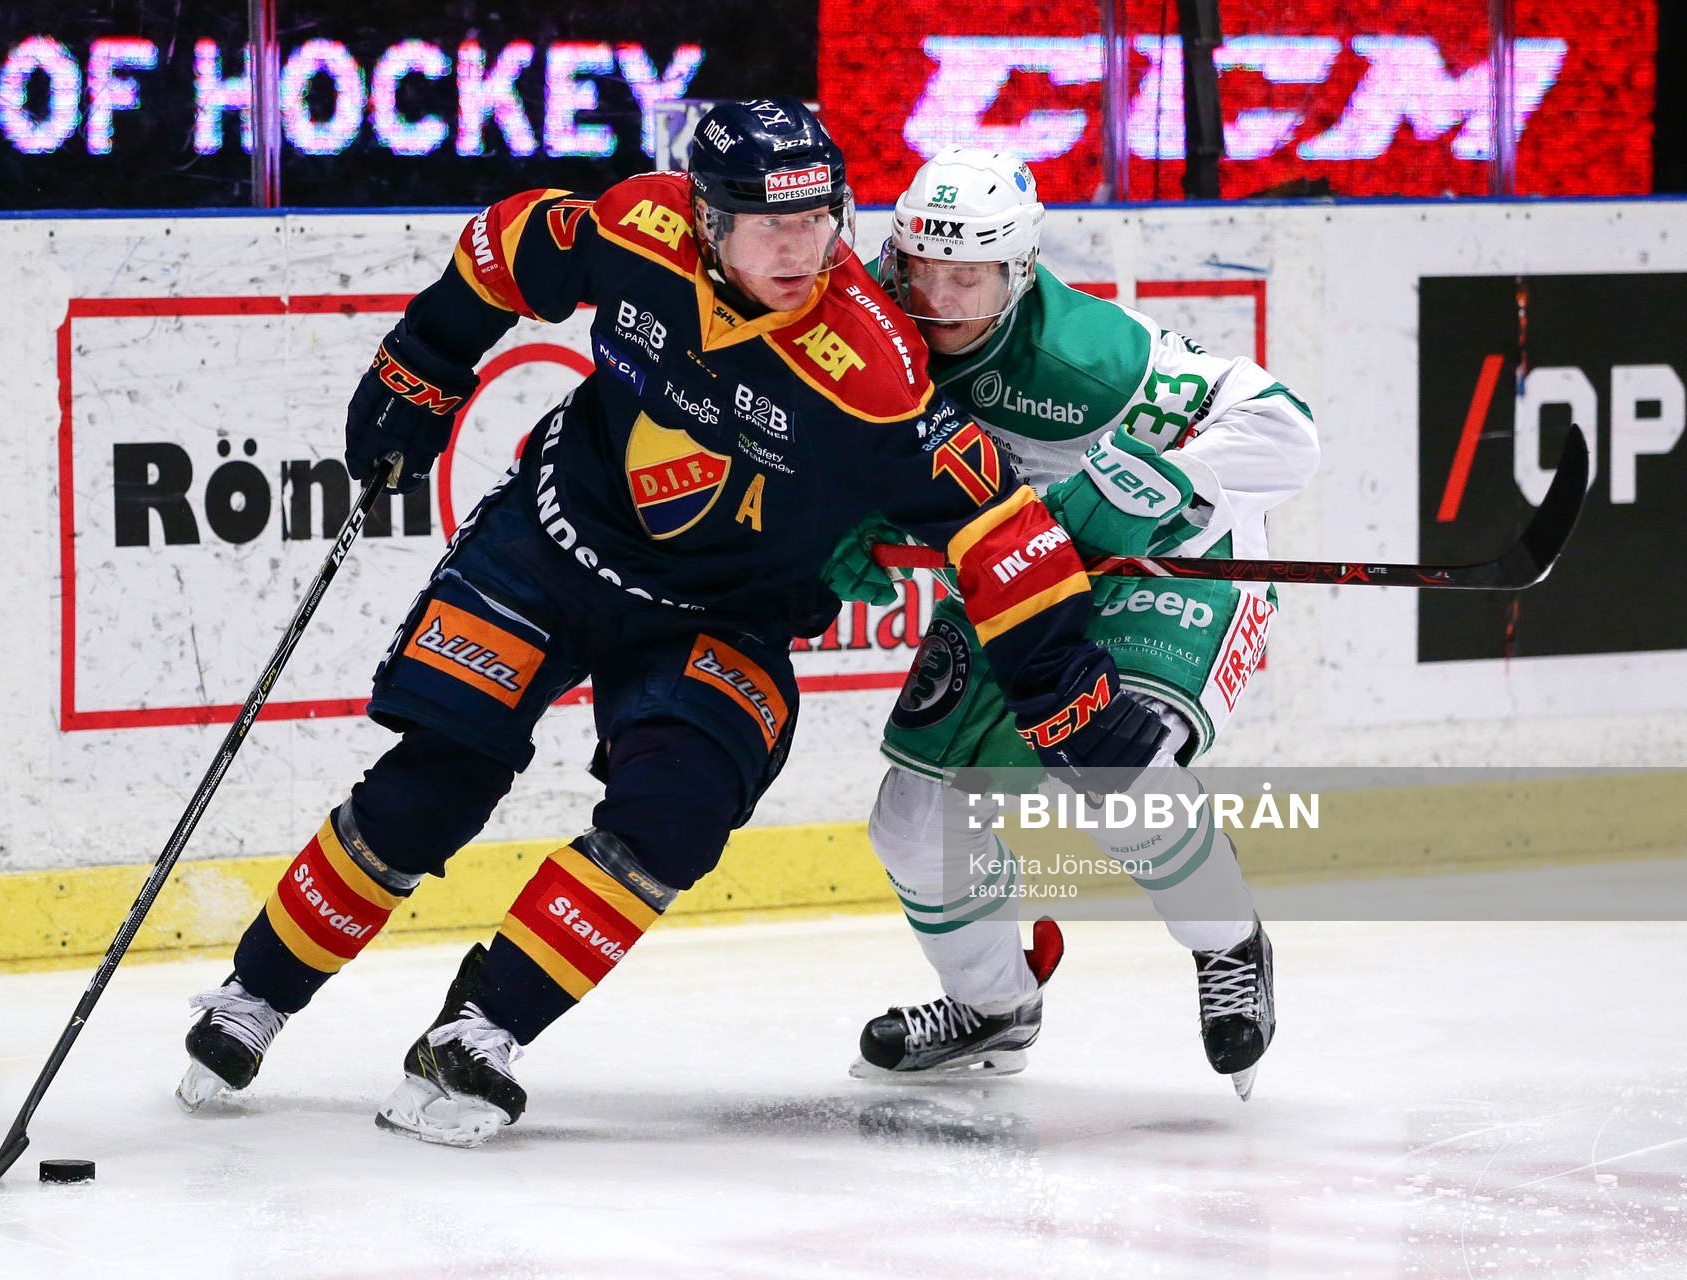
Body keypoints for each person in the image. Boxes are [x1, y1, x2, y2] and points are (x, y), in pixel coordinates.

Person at [173, 102, 1168, 1148]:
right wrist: (421, 359)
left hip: (722, 615)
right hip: (551, 544)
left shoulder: (872, 371)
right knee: (435, 782)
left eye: (818, 219)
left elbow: (1000, 526)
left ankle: (477, 1032)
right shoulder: (638, 229)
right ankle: (255, 995)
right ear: (706, 218)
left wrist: (1067, 690)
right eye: (768, 224)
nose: (800, 250)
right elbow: (510, 242)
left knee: (678, 808)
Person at [822, 145, 1320, 1097]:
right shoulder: (867, 325)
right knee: (915, 819)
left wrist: (1154, 484)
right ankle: (993, 1006)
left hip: (1166, 562)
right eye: (923, 268)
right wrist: (839, 522)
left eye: (970, 275)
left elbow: (1284, 429)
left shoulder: (1086, 357)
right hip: (1013, 567)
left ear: (1019, 271)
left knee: (1106, 761)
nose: (941, 297)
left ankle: (1227, 942)